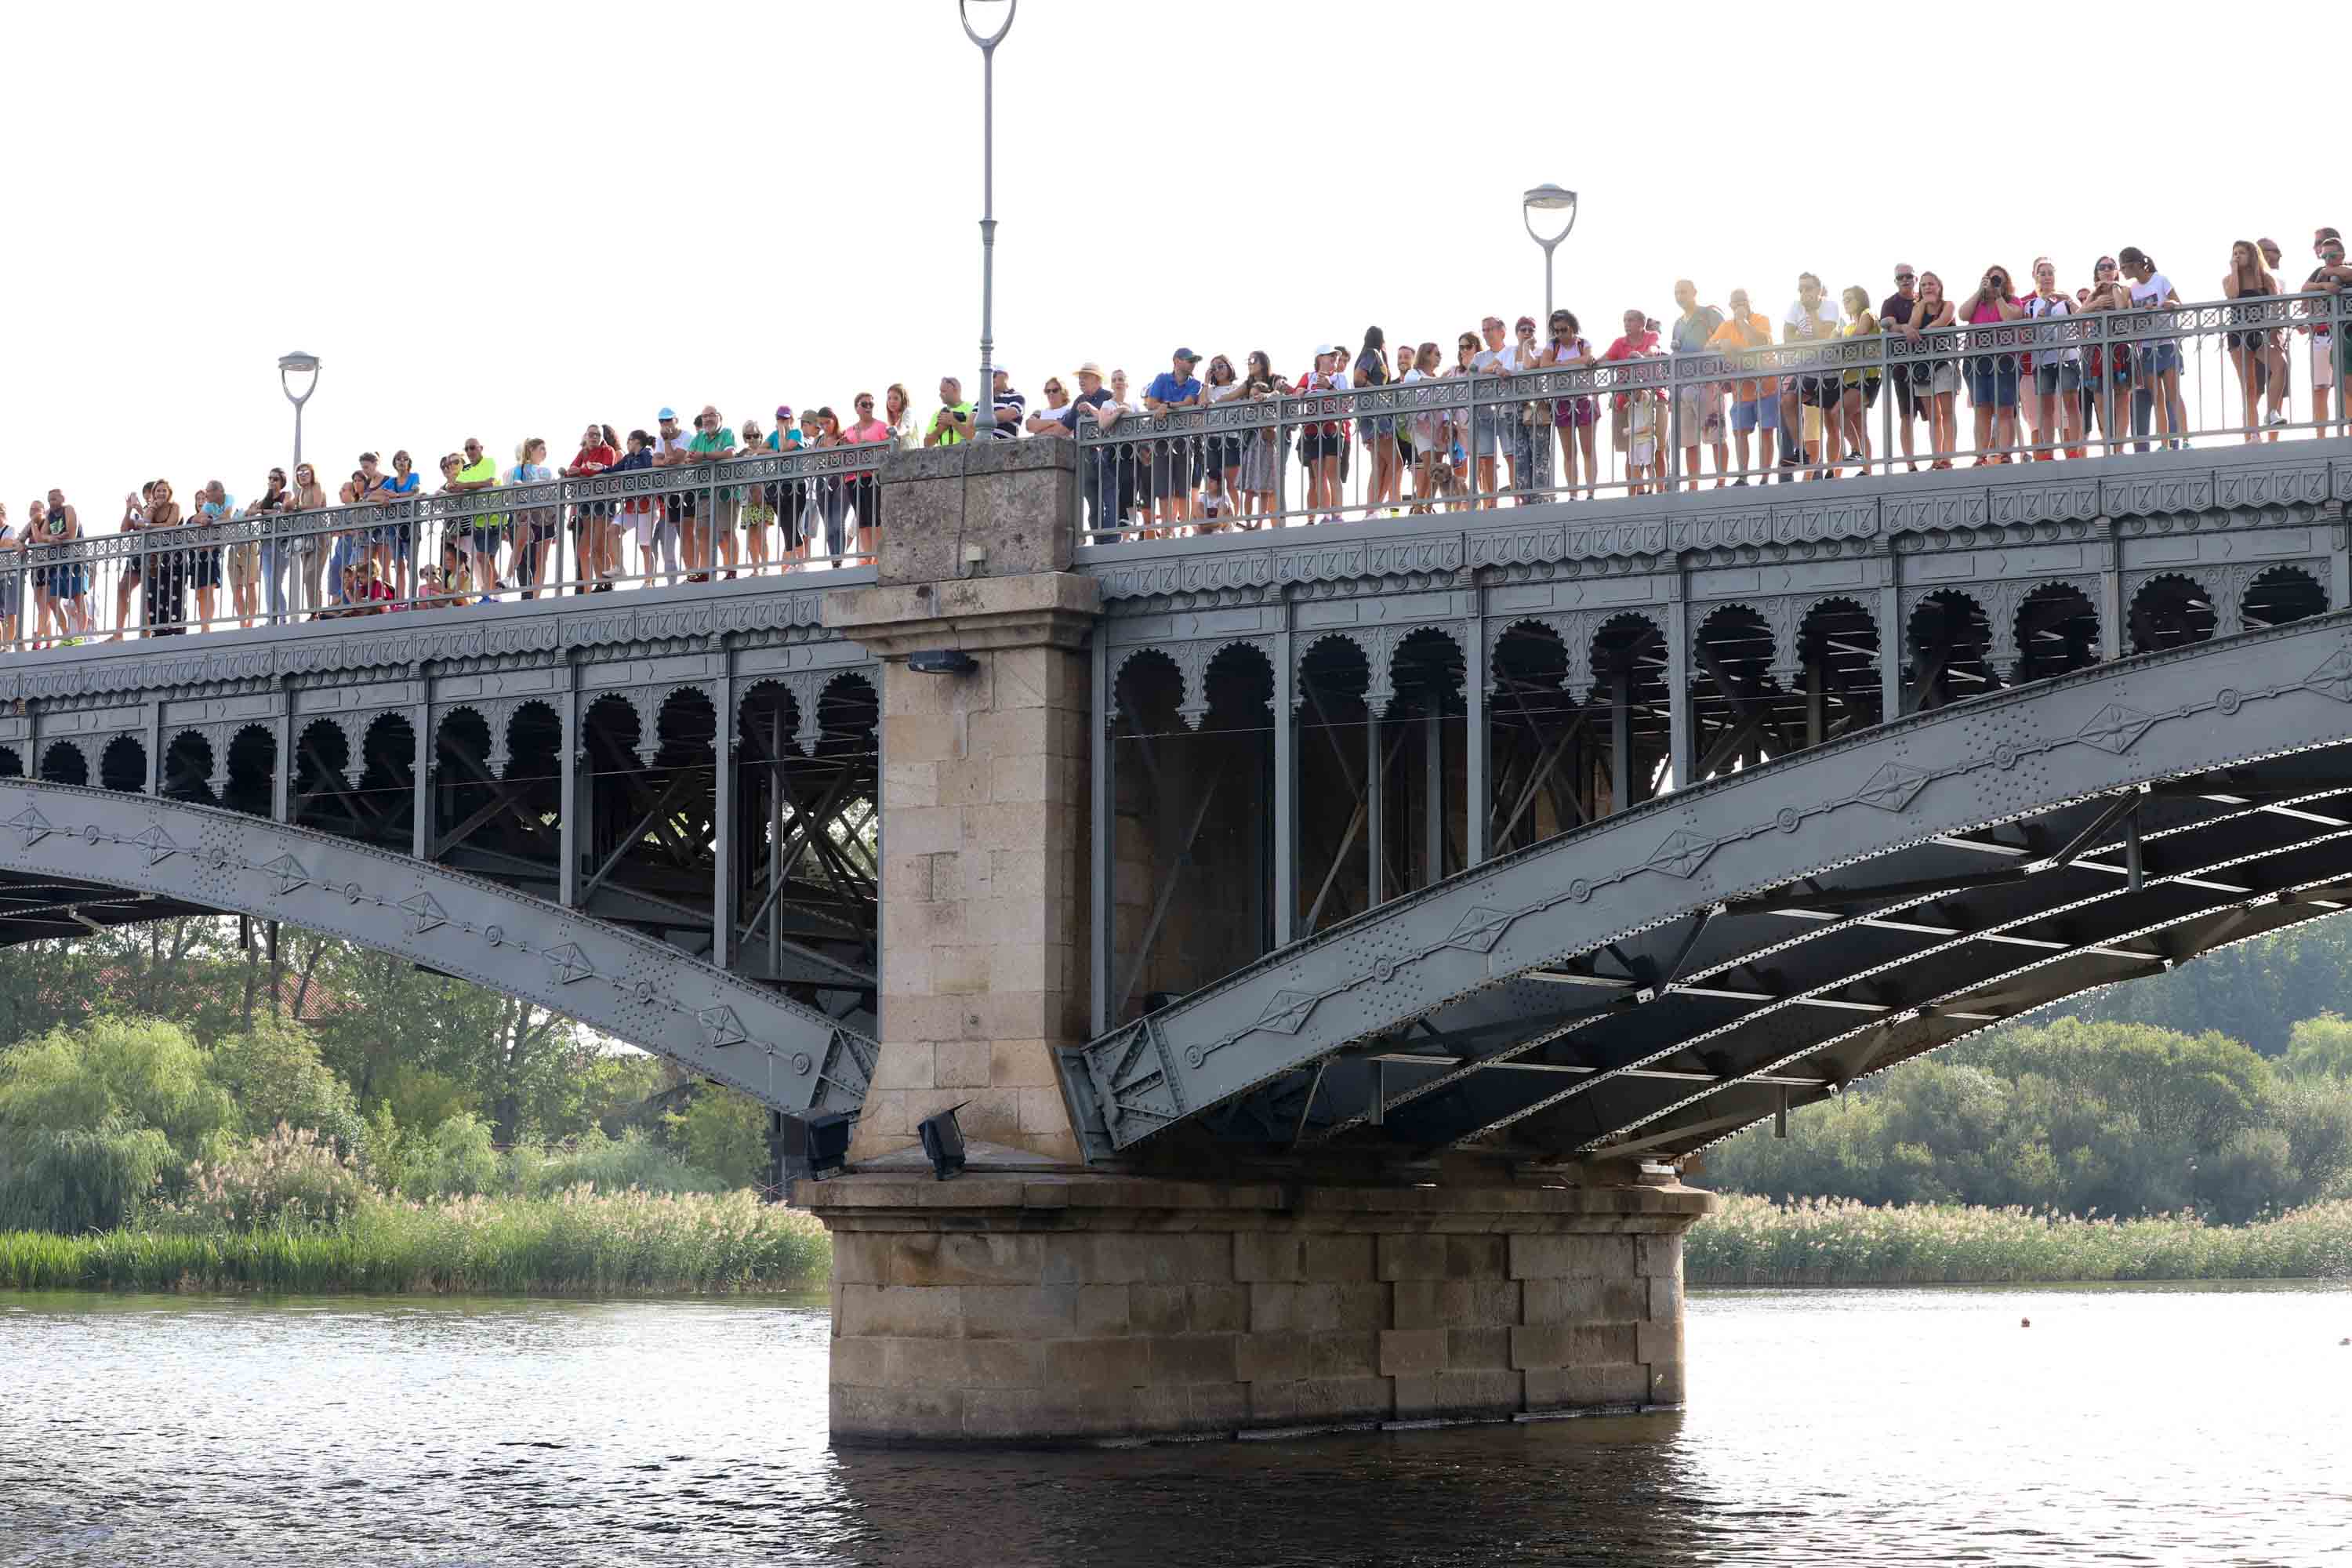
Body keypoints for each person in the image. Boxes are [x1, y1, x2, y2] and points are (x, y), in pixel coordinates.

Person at [1709, 290, 1777, 484]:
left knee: (1766, 430)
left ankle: (1765, 476)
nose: (1739, 306)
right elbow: (1708, 346)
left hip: (1766, 385)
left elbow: (1760, 340)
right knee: (1740, 432)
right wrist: (1722, 344)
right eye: (1735, 303)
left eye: (1743, 302)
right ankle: (1743, 476)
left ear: (1749, 302)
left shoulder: (1760, 319)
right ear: (1730, 305)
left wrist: (1742, 322)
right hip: (1741, 390)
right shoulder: (1726, 325)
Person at [2119, 248, 2184, 448]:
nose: (2121, 271)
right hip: (2147, 347)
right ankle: (2164, 443)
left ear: (2135, 264)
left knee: (2173, 395)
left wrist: (2169, 304)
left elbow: (2178, 302)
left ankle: (2183, 439)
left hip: (2166, 343)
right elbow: (2126, 313)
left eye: (2123, 267)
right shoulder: (2131, 289)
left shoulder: (2160, 280)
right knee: (2158, 397)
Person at [2021, 260, 2085, 463]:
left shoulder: (2064, 301)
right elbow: (2026, 335)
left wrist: (2070, 301)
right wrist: (2036, 320)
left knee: (2071, 402)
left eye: (2050, 273)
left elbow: (2083, 321)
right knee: (2046, 406)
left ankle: (2075, 449)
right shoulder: (2030, 305)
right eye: (2043, 273)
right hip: (2043, 359)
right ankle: (2048, 451)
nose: (2047, 277)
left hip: (2067, 357)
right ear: (2035, 276)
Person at [1896, 273, 1960, 468]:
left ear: (1939, 286)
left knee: (1948, 412)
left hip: (1943, 364)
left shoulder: (1948, 305)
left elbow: (1940, 324)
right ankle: (1936, 459)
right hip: (1922, 368)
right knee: (1933, 416)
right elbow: (1913, 326)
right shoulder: (1919, 306)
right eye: (1923, 285)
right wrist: (1922, 305)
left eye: (1931, 284)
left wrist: (1923, 333)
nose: (1927, 288)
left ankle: (1948, 458)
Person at [2220, 240, 2279, 445]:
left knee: (2280, 367)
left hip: (2261, 333)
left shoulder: (2265, 278)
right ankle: (2252, 434)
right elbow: (2233, 295)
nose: (2237, 256)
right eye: (2234, 253)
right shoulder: (2228, 279)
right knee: (2250, 386)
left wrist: (2275, 333)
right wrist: (2234, 270)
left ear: (2252, 255)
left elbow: (2276, 306)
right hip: (2239, 334)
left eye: (2241, 253)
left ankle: (2271, 413)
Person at [1670, 281, 1728, 489]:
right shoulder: (1678, 323)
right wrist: (1672, 393)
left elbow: (1725, 339)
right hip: (1684, 387)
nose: (1679, 296)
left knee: (1715, 434)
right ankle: (1692, 485)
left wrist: (1717, 377)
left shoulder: (1709, 314)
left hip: (1708, 382)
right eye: (1676, 293)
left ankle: (1720, 481)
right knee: (1689, 440)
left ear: (1694, 292)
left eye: (1683, 292)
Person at [1602, 310, 1665, 494]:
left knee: (1658, 448)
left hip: (1655, 399)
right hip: (1625, 401)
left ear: (1641, 323)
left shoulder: (1652, 336)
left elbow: (1654, 349)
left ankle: (1660, 491)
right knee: (1631, 452)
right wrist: (1591, 360)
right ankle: (1636, 492)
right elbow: (1604, 359)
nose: (1626, 323)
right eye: (1625, 320)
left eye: (1630, 320)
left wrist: (1642, 356)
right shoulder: (1619, 343)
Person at [2077, 257, 2134, 456]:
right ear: (2097, 273)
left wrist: (2113, 286)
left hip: (2119, 346)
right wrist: (2096, 300)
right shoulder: (2093, 295)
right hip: (2097, 351)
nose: (2107, 270)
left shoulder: (2123, 289)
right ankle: (2107, 445)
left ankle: (2119, 449)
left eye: (2111, 267)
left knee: (2122, 397)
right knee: (2100, 400)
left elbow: (2120, 307)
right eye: (2102, 267)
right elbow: (2079, 315)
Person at [1143, 348, 1204, 531]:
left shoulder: (1196, 383)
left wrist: (1167, 405)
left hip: (1184, 438)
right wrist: (1161, 406)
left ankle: (1183, 529)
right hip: (1161, 438)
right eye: (1189, 360)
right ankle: (1167, 530)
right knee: (1163, 487)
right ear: (1176, 361)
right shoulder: (1162, 379)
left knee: (1183, 485)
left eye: (1194, 361)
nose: (1193, 364)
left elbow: (1188, 403)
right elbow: (1150, 403)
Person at [1542, 310, 1599, 499]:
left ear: (1573, 328)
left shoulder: (1584, 343)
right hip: (1562, 400)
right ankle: (1573, 494)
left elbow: (1587, 359)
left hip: (1584, 398)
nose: (1560, 335)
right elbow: (1544, 365)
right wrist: (1573, 363)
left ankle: (1590, 492)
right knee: (1569, 452)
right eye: (1556, 331)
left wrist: (1560, 363)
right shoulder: (1552, 345)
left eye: (1564, 330)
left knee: (1588, 449)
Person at [562, 423, 620, 593]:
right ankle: (592, 586)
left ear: (601, 437)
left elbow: (603, 471)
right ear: (585, 436)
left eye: (597, 435)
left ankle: (606, 583)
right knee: (583, 549)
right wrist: (580, 471)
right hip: (586, 503)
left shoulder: (607, 450)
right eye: (591, 434)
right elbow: (570, 471)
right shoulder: (583, 453)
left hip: (603, 501)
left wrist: (582, 471)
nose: (594, 437)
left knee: (597, 546)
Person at [1878, 265, 1926, 472]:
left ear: (1915, 278)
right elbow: (1886, 324)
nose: (1905, 280)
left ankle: (1940, 460)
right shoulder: (1890, 303)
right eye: (1900, 277)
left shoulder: (1924, 298)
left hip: (1927, 363)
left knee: (1936, 412)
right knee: (1907, 415)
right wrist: (1904, 327)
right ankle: (1910, 463)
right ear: (1895, 281)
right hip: (1901, 367)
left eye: (1908, 276)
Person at [1297, 346, 1349, 525]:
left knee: (1333, 473)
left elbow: (1347, 402)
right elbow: (1297, 391)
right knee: (1319, 475)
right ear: (1320, 358)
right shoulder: (1308, 376)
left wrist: (1329, 386)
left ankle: (1337, 514)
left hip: (1332, 428)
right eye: (1331, 356)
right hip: (1312, 429)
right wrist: (1301, 392)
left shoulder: (1340, 378)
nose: (1334, 359)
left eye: (1336, 357)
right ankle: (1326, 515)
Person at [2305, 232, 2351, 434]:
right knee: (2345, 386)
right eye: (2324, 256)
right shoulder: (2321, 272)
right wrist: (2324, 284)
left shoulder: (2348, 267)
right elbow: (2305, 288)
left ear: (2341, 255)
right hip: (2339, 337)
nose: (2327, 261)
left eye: (2332, 256)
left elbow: (2348, 274)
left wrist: (2333, 275)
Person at [1352, 328, 1402, 514]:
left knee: (1379, 464)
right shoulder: (1372, 354)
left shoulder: (1371, 354)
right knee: (1395, 462)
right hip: (1375, 413)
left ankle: (1371, 511)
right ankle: (1375, 508)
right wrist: (1378, 393)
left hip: (1369, 413)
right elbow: (1358, 379)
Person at [1835, 286, 1881, 477]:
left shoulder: (1867, 314)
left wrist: (1840, 343)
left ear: (1860, 299)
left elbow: (1861, 333)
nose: (1846, 302)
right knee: (1860, 426)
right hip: (1851, 377)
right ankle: (1867, 470)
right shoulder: (1845, 326)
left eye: (1850, 299)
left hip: (1867, 376)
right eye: (1844, 299)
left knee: (1838, 412)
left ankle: (1855, 450)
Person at [684, 405, 735, 580]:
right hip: (704, 490)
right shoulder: (700, 437)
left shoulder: (727, 432)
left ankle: (731, 570)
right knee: (702, 531)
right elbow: (689, 457)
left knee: (726, 530)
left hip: (725, 490)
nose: (707, 419)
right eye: (704, 417)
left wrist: (704, 455)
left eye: (711, 416)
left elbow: (729, 454)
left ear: (719, 417)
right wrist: (697, 457)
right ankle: (705, 572)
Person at [840, 391, 892, 561]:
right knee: (862, 518)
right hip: (853, 479)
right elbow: (843, 455)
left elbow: (888, 450)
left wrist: (870, 446)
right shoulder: (848, 431)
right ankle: (867, 556)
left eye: (871, 404)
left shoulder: (882, 427)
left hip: (873, 477)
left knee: (875, 517)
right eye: (865, 404)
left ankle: (878, 556)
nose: (868, 407)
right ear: (857, 408)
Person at [449, 437, 503, 597]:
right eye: (466, 449)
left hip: (494, 518)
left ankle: (492, 596)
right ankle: (492, 595)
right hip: (478, 520)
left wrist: (465, 486)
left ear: (481, 448)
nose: (469, 452)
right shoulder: (467, 470)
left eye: (472, 448)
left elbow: (488, 483)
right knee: (483, 559)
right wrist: (459, 484)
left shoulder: (489, 462)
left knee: (485, 558)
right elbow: (453, 487)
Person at [611, 431, 667, 583]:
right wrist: (599, 468)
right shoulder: (629, 458)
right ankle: (619, 567)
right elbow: (614, 469)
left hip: (646, 506)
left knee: (645, 546)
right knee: (612, 531)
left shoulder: (647, 453)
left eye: (629, 441)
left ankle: (648, 581)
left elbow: (653, 474)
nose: (627, 444)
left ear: (635, 441)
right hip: (631, 507)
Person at [232, 468, 285, 628]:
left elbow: (280, 510)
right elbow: (250, 513)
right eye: (270, 478)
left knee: (276, 580)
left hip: (281, 542)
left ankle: (281, 618)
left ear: (282, 481)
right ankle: (271, 617)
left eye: (275, 479)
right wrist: (250, 511)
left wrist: (260, 511)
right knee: (268, 581)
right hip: (267, 543)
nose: (272, 481)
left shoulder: (285, 495)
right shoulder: (266, 498)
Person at [506, 438, 559, 597]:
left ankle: (536, 595)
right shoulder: (520, 468)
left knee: (541, 559)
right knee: (520, 544)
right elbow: (515, 485)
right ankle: (507, 577)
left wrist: (556, 521)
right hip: (528, 514)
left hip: (546, 516)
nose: (545, 452)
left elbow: (553, 494)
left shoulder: (548, 471)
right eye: (541, 448)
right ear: (531, 449)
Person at [282, 462, 329, 615]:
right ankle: (313, 612)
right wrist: (287, 506)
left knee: (311, 573)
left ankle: (316, 611)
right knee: (308, 576)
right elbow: (288, 507)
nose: (302, 475)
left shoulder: (316, 486)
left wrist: (296, 508)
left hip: (319, 535)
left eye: (306, 472)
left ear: (312, 473)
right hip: (305, 536)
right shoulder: (301, 491)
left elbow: (316, 505)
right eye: (300, 473)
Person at [1200, 355, 1248, 507]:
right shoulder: (1210, 390)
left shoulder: (1237, 389)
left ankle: (1235, 517)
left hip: (1230, 438)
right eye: (1214, 368)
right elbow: (1201, 404)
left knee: (1231, 484)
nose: (1218, 370)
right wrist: (1206, 382)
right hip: (1212, 438)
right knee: (1214, 482)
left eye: (1221, 366)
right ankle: (1217, 515)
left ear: (1229, 367)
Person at [141, 481, 187, 633]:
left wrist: (150, 527)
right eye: (158, 491)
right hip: (155, 559)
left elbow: (170, 524)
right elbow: (143, 523)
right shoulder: (151, 508)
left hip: (174, 557)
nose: (161, 493)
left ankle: (176, 632)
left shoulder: (175, 507)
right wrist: (153, 507)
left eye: (164, 491)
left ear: (169, 492)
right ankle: (157, 632)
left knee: (175, 595)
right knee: (155, 596)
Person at [187, 480, 231, 630]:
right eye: (198, 499)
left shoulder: (215, 517)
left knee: (209, 591)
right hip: (196, 559)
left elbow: (221, 536)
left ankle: (207, 626)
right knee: (200, 594)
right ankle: (203, 624)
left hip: (211, 557)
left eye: (203, 499)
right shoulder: (192, 520)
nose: (201, 501)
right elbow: (187, 536)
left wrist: (209, 546)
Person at [111, 484, 151, 641]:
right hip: (137, 556)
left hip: (154, 556)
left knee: (150, 593)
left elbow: (152, 524)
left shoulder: (159, 509)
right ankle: (118, 633)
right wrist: (129, 509)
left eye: (150, 494)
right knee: (122, 589)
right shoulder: (137, 512)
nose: (148, 497)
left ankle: (147, 633)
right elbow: (124, 530)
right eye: (146, 495)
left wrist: (141, 510)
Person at [924, 376, 975, 446]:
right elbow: (927, 444)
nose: (940, 395)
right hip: (942, 456)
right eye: (940, 391)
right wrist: (939, 430)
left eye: (944, 391)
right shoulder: (938, 413)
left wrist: (953, 422)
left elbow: (974, 437)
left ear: (955, 390)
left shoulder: (972, 410)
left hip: (965, 455)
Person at [884, 383, 920, 451]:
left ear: (903, 400)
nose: (892, 401)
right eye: (889, 398)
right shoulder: (892, 421)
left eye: (896, 398)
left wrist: (897, 433)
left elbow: (905, 427)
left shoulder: (908, 411)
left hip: (911, 456)